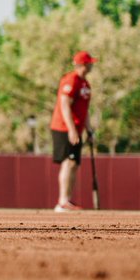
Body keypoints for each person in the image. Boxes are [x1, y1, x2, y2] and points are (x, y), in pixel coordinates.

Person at [51, 50, 96, 212]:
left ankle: (67, 200)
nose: (91, 66)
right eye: (89, 63)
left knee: (74, 164)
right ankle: (62, 201)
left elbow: (84, 110)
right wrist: (71, 130)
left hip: (77, 129)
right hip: (63, 127)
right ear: (82, 64)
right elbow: (64, 104)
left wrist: (89, 131)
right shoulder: (71, 80)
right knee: (68, 162)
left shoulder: (85, 84)